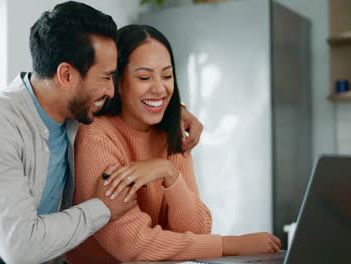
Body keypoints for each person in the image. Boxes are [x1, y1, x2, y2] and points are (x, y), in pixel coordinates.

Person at [0, 3, 203, 264]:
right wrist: (102, 208)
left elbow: (131, 101)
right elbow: (20, 248)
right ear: (66, 75)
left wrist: (177, 110)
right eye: (104, 78)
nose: (110, 91)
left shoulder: (77, 113)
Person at [68, 24, 282, 264]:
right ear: (117, 81)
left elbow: (197, 231)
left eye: (167, 75)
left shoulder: (172, 133)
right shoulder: (96, 138)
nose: (160, 88)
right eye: (144, 77)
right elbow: (131, 244)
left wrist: (167, 171)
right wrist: (231, 245)